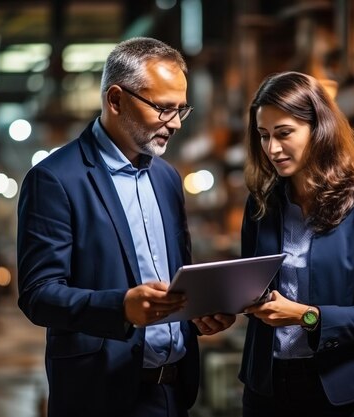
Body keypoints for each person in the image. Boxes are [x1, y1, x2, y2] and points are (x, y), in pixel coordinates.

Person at [17, 37, 235, 417]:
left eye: (182, 109)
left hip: (172, 393)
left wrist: (195, 314)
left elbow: (173, 281)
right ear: (115, 100)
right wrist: (120, 308)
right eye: (164, 109)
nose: (177, 124)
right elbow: (38, 295)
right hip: (100, 397)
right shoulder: (55, 179)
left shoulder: (167, 179)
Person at [239, 71, 354, 417]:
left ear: (319, 129)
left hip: (333, 391)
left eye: (284, 133)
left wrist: (305, 316)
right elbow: (249, 287)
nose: (272, 149)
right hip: (264, 388)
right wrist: (218, 303)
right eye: (263, 136)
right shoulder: (260, 205)